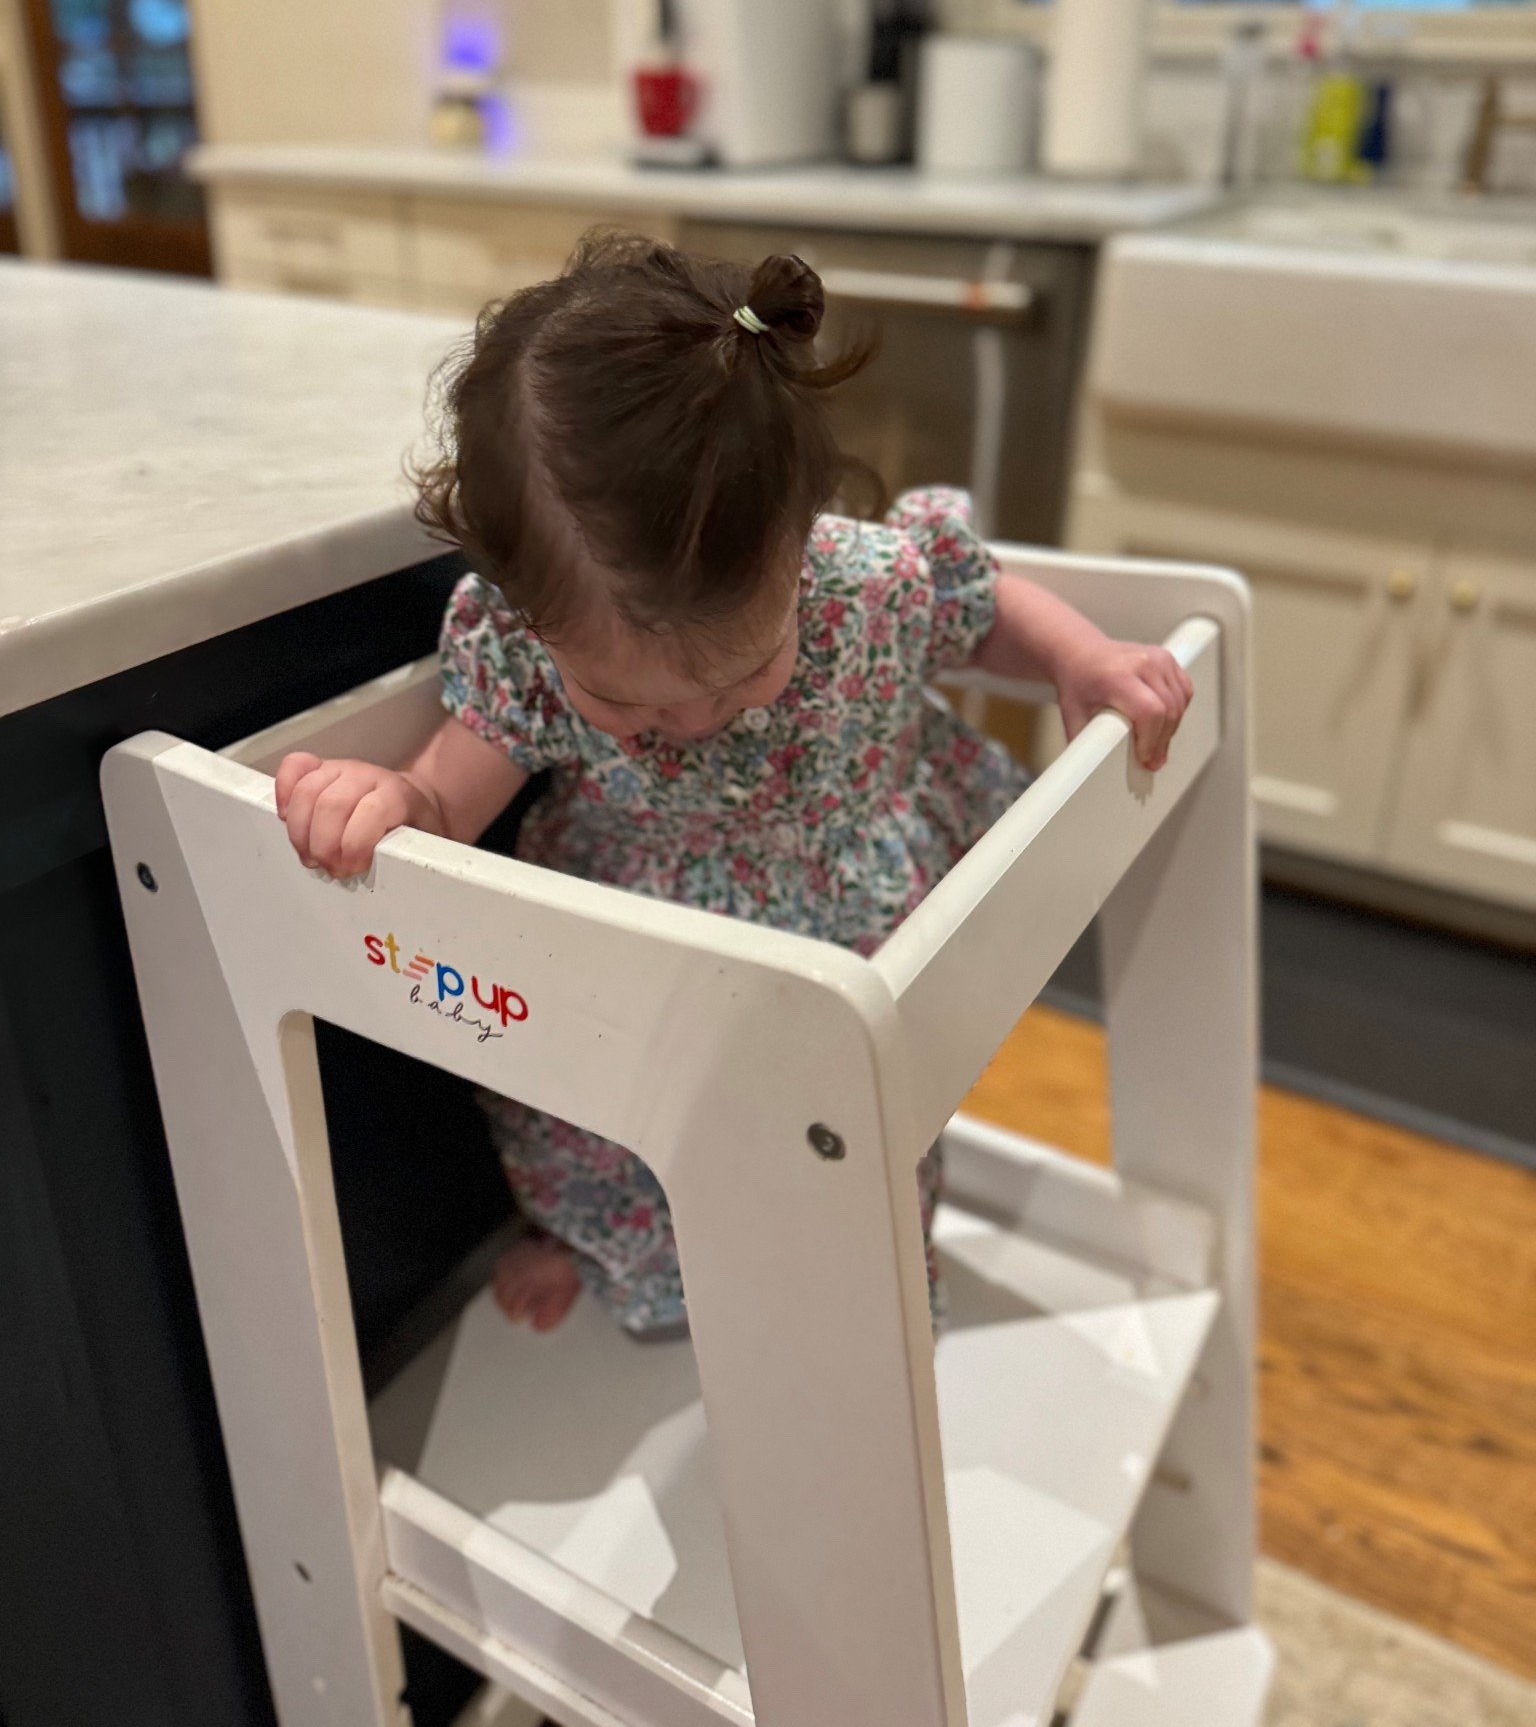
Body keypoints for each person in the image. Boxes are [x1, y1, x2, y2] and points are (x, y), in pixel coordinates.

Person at [277, 233, 1192, 1339]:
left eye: (749, 670)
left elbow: (979, 604)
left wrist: (1077, 657)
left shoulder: (864, 580)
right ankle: (609, 1248)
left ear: (799, 537)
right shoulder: (523, 647)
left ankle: (848, 1301)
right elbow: (446, 796)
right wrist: (392, 805)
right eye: (629, 703)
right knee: (580, 1122)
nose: (697, 721)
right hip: (627, 949)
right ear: (528, 615)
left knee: (848, 1145)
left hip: (835, 950)